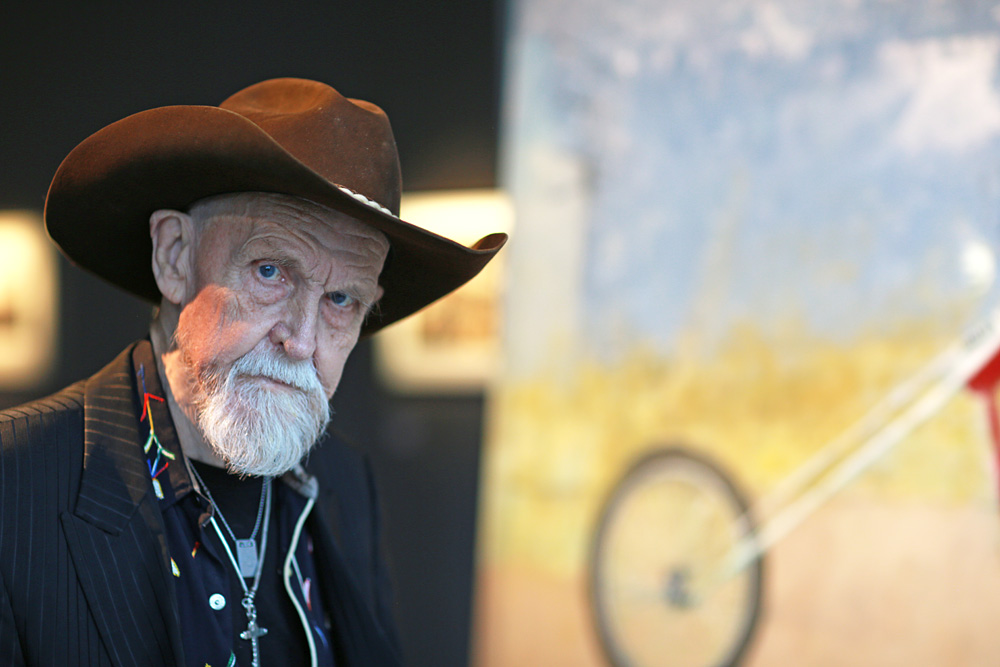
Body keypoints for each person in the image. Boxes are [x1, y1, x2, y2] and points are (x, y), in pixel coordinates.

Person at [0, 78, 506, 667]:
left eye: (341, 300)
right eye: (270, 271)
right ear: (175, 256)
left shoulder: (342, 485)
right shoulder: (16, 485)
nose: (301, 340)